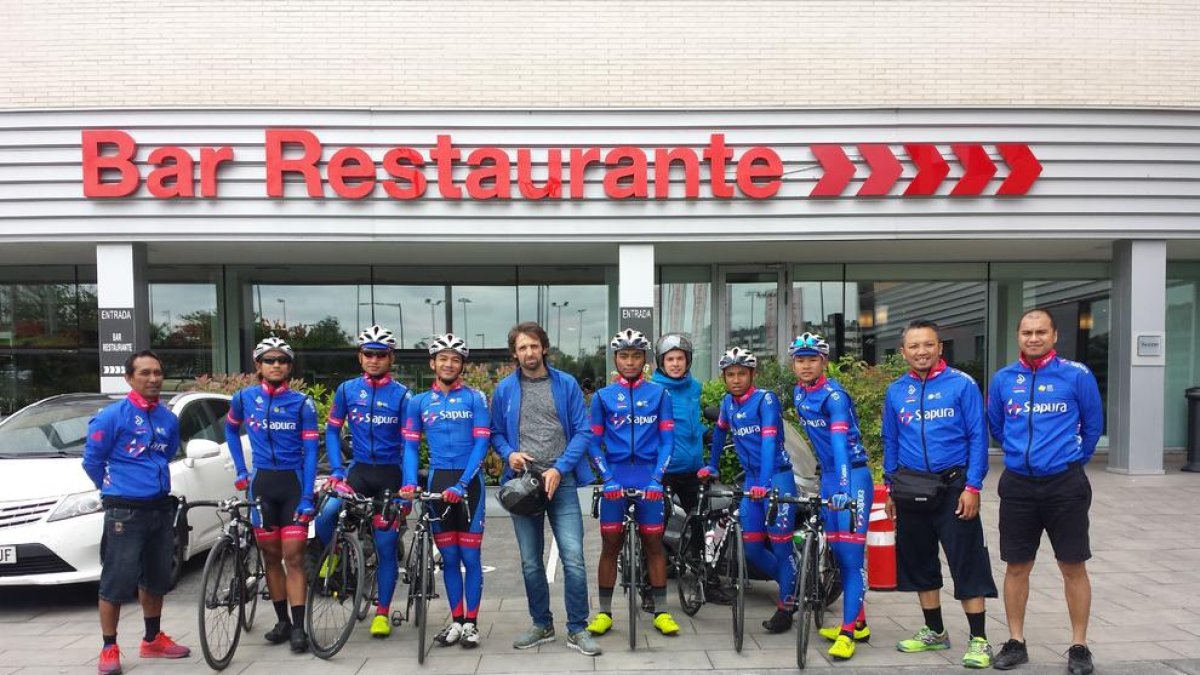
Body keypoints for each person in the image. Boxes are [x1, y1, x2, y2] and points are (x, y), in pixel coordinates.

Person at [986, 308, 1103, 675]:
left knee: (1072, 564)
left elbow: (1093, 427)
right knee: (1017, 565)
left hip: (1064, 483)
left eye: (1040, 332)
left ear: (1054, 336)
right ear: (1018, 337)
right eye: (1026, 332)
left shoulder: (1076, 375)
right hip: (1018, 483)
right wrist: (1022, 456)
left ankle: (1079, 646)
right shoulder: (1004, 379)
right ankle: (1016, 641)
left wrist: (1066, 460)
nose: (1033, 338)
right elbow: (998, 427)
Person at [882, 320, 997, 669]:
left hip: (953, 487)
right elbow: (891, 440)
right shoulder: (896, 391)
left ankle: (979, 639)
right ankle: (935, 631)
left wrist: (973, 486)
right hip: (911, 487)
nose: (921, 351)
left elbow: (979, 438)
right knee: (919, 560)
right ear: (903, 352)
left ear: (940, 347)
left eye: (927, 344)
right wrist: (890, 486)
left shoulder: (962, 385)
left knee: (966, 559)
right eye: (914, 346)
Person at [490, 322, 601, 656]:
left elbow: (583, 431)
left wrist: (559, 468)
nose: (529, 353)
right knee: (529, 561)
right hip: (524, 484)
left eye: (534, 346)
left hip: (561, 481)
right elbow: (495, 432)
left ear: (544, 348)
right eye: (522, 348)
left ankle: (578, 629)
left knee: (573, 557)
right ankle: (542, 624)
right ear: (515, 353)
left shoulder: (565, 384)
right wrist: (509, 453)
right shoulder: (505, 390)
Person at [83, 350, 191, 675]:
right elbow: (92, 461)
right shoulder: (111, 416)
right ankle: (108, 647)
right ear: (129, 378)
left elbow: (168, 452)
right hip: (124, 511)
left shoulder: (168, 419)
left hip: (159, 507)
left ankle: (152, 638)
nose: (153, 378)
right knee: (116, 581)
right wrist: (116, 487)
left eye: (157, 372)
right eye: (145, 373)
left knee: (157, 578)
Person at [313, 325, 412, 638]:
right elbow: (331, 431)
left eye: (380, 355)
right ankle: (336, 554)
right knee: (328, 512)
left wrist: (407, 486)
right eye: (369, 354)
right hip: (358, 471)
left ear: (390, 358)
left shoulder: (403, 395)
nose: (374, 359)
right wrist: (338, 471)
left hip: (389, 474)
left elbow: (410, 443)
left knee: (384, 544)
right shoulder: (346, 390)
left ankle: (382, 612)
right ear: (360, 356)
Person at [225, 337, 319, 653]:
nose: (275, 365)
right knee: (270, 556)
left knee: (293, 556)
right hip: (261, 484)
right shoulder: (243, 398)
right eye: (269, 360)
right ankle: (282, 622)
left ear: (289, 366)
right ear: (258, 365)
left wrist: (307, 496)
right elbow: (229, 430)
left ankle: (299, 628)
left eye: (281, 360)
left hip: (292, 485)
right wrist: (240, 469)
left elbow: (310, 452)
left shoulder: (303, 403)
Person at [585, 328, 681, 637]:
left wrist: (656, 479)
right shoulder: (602, 397)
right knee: (610, 546)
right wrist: (607, 477)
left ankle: (662, 611)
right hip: (615, 476)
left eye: (636, 356)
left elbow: (668, 442)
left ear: (644, 360)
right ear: (615, 359)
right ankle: (604, 613)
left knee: (653, 543)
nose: (629, 361)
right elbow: (592, 443)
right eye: (624, 356)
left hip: (648, 478)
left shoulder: (659, 394)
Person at [400, 333, 490, 649]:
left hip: (468, 487)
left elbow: (482, 443)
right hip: (438, 481)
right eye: (443, 358)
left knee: (470, 556)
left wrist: (462, 484)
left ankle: (472, 625)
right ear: (433, 363)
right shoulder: (419, 402)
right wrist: (410, 482)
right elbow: (410, 447)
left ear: (461, 365)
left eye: (455, 359)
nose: (449, 363)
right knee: (449, 559)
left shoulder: (475, 398)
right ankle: (456, 620)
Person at [701, 347, 799, 633]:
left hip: (777, 479)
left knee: (781, 545)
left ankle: (785, 607)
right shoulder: (728, 404)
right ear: (723, 377)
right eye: (730, 375)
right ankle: (792, 585)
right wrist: (713, 465)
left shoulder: (765, 400)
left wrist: (765, 483)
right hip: (752, 483)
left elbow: (769, 443)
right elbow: (719, 432)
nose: (735, 380)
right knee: (753, 548)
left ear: (752, 374)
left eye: (741, 374)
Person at [789, 332, 873, 661]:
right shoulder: (799, 393)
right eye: (800, 359)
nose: (806, 365)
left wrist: (841, 487)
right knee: (838, 551)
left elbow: (839, 445)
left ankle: (848, 633)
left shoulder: (834, 396)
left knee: (852, 559)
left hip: (851, 475)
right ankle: (861, 621)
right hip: (829, 477)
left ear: (824, 362)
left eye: (813, 359)